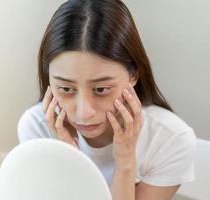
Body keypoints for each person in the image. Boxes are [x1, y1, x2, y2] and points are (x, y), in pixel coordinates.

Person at [17, 0, 197, 199]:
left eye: (101, 89)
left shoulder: (170, 139)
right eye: (66, 89)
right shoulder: (37, 127)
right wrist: (69, 158)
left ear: (133, 75)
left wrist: (125, 162)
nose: (84, 113)